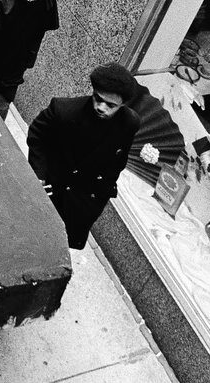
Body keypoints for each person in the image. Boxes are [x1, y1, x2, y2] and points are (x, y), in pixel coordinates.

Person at [27, 63, 140, 249]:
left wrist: (103, 191)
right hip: (56, 186)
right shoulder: (64, 110)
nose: (101, 107)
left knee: (62, 243)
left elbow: (119, 158)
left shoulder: (130, 122)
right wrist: (38, 174)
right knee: (37, 235)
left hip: (85, 197)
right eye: (98, 98)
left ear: (122, 105)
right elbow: (37, 135)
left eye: (111, 105)